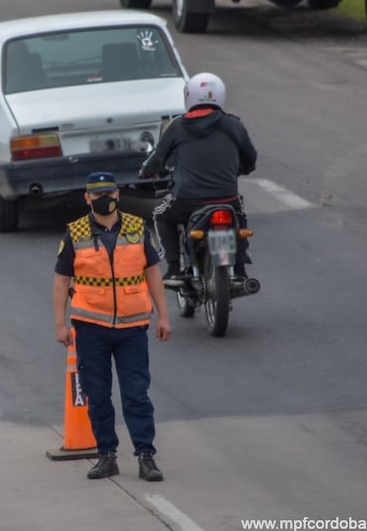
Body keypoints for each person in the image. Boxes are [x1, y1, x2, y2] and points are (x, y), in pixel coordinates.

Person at [52, 172, 172, 482]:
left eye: (108, 192)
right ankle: (107, 455)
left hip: (132, 328)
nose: (103, 198)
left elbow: (153, 273)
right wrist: (60, 324)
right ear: (87, 198)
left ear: (117, 194)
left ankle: (146, 456)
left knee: (136, 394)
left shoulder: (137, 228)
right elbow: (62, 281)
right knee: (99, 394)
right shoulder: (74, 233)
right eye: (97, 194)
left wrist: (164, 315)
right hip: (91, 328)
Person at [138, 72, 258, 281]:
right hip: (226, 198)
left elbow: (157, 159)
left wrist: (145, 172)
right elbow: (250, 158)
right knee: (239, 217)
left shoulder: (177, 126)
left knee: (160, 216)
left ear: (189, 96)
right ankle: (240, 269)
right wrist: (241, 169)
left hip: (187, 201)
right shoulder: (234, 124)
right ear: (220, 96)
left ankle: (174, 268)